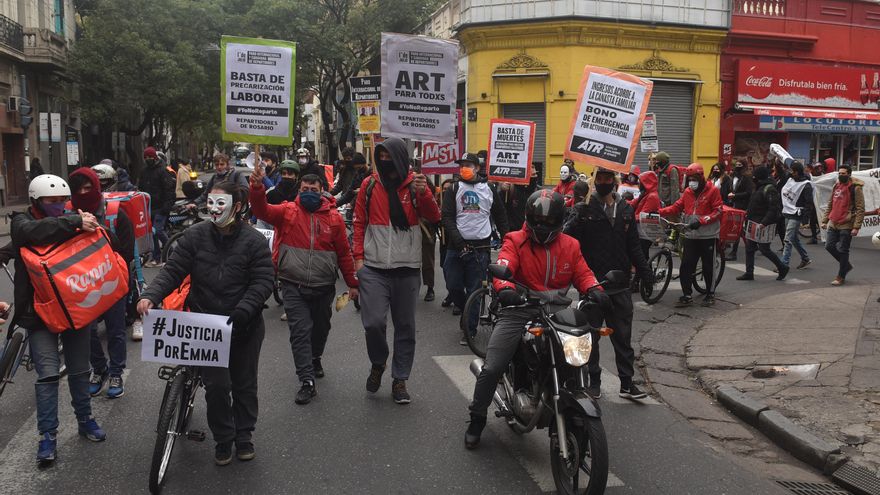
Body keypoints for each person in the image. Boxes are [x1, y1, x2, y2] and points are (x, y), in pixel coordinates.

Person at [138, 180, 274, 465]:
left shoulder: (254, 241)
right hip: (206, 328)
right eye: (210, 203)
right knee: (217, 386)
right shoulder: (195, 235)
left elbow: (263, 282)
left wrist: (243, 310)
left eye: (220, 204)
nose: (213, 209)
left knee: (244, 384)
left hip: (243, 326)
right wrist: (151, 295)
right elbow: (173, 270)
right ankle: (224, 438)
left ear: (237, 207)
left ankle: (244, 434)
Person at [464, 190, 603, 449]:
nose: (542, 226)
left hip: (558, 312)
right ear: (528, 218)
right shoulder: (515, 240)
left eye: (549, 222)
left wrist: (596, 289)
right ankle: (477, 417)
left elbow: (583, 273)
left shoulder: (570, 245)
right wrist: (505, 288)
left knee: (578, 353)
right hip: (520, 308)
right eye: (538, 220)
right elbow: (504, 263)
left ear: (560, 221)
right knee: (493, 366)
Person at [11, 174, 107, 464]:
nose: (59, 206)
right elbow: (33, 233)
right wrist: (74, 222)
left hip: (73, 309)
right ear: (36, 201)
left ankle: (85, 419)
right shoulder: (20, 223)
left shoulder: (71, 218)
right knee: (48, 376)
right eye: (52, 201)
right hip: (39, 314)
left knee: (79, 370)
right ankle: (47, 436)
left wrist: (88, 223)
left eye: (62, 201)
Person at [249, 169, 358, 405]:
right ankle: (306, 381)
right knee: (300, 331)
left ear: (322, 192)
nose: (309, 193)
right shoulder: (287, 211)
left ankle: (315, 356)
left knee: (320, 329)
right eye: (305, 190)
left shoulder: (334, 219)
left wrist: (353, 283)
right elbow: (261, 210)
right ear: (299, 190)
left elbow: (344, 254)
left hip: (323, 286)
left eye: (314, 190)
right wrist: (257, 189)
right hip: (292, 284)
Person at [352, 137, 440, 404]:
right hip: (374, 269)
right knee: (373, 323)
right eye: (381, 157)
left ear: (402, 158)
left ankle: (400, 379)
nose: (385, 162)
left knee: (405, 327)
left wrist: (424, 193)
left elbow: (435, 217)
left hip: (407, 269)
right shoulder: (368, 185)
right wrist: (358, 260)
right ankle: (378, 362)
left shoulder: (415, 185)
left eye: (391, 157)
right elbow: (358, 223)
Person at [564, 168, 652, 400]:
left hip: (620, 285)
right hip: (592, 285)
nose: (604, 183)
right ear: (594, 181)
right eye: (599, 179)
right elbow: (567, 239)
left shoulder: (624, 210)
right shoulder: (585, 209)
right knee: (590, 337)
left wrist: (646, 272)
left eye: (608, 179)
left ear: (614, 182)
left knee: (623, 338)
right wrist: (575, 216)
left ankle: (626, 383)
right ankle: (593, 382)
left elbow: (634, 245)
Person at [67, 168, 135, 399]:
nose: (84, 193)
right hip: (82, 285)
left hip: (112, 282)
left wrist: (99, 230)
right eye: (78, 189)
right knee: (88, 332)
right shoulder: (66, 215)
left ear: (96, 188)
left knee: (116, 331)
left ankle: (116, 372)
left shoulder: (115, 214)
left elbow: (126, 252)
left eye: (88, 188)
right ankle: (100, 369)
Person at [442, 152, 509, 338]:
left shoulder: (488, 188)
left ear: (477, 168)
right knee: (453, 285)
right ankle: (467, 311)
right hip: (456, 247)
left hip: (480, 248)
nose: (464, 168)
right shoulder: (454, 189)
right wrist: (458, 241)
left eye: (468, 165)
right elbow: (447, 217)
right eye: (461, 165)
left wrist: (507, 239)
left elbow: (500, 215)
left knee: (475, 289)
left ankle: (469, 329)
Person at [659, 164, 723, 307]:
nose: (691, 182)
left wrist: (702, 221)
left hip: (708, 235)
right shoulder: (687, 192)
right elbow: (676, 207)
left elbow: (718, 211)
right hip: (690, 235)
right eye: (689, 179)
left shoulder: (713, 191)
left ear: (701, 178)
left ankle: (710, 294)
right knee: (686, 266)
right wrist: (660, 211)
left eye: (694, 179)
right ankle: (687, 295)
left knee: (708, 266)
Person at [735, 167, 789, 282]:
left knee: (764, 249)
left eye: (754, 175)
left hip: (764, 224)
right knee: (749, 248)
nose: (753, 177)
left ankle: (782, 267)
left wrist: (764, 222)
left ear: (759, 177)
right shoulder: (759, 187)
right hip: (754, 223)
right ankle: (749, 273)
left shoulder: (769, 189)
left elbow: (773, 208)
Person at [820, 164, 865, 286]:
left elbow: (860, 209)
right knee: (829, 246)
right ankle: (846, 266)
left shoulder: (856, 188)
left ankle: (841, 276)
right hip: (834, 221)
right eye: (839, 173)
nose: (841, 175)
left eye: (843, 173)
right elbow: (830, 204)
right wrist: (824, 220)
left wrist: (856, 227)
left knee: (843, 250)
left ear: (849, 174)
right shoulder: (836, 185)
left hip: (847, 223)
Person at [139, 147, 176, 267]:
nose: (148, 159)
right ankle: (156, 258)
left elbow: (169, 190)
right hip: (149, 208)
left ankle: (173, 253)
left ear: (155, 157)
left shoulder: (162, 171)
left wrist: (166, 207)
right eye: (146, 157)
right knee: (152, 232)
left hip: (161, 207)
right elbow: (141, 189)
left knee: (158, 230)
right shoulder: (144, 172)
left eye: (150, 157)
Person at [780, 162, 813, 270]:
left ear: (797, 172)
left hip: (796, 214)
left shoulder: (806, 185)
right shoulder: (790, 180)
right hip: (787, 212)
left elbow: (809, 203)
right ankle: (805, 258)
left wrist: (805, 219)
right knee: (793, 239)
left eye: (793, 171)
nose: (791, 173)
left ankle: (783, 264)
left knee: (787, 239)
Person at [725, 160, 754, 261]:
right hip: (733, 205)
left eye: (740, 165)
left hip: (742, 206)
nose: (737, 167)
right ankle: (751, 245)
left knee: (738, 228)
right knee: (739, 229)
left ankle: (734, 252)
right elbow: (730, 188)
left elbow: (749, 192)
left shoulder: (746, 178)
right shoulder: (732, 176)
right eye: (736, 165)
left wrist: (735, 196)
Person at [632, 170, 661, 259]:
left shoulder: (652, 196)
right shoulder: (645, 194)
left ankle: (646, 272)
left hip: (645, 232)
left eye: (640, 182)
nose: (638, 184)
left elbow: (643, 215)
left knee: (642, 256)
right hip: (641, 230)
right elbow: (633, 203)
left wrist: (630, 218)